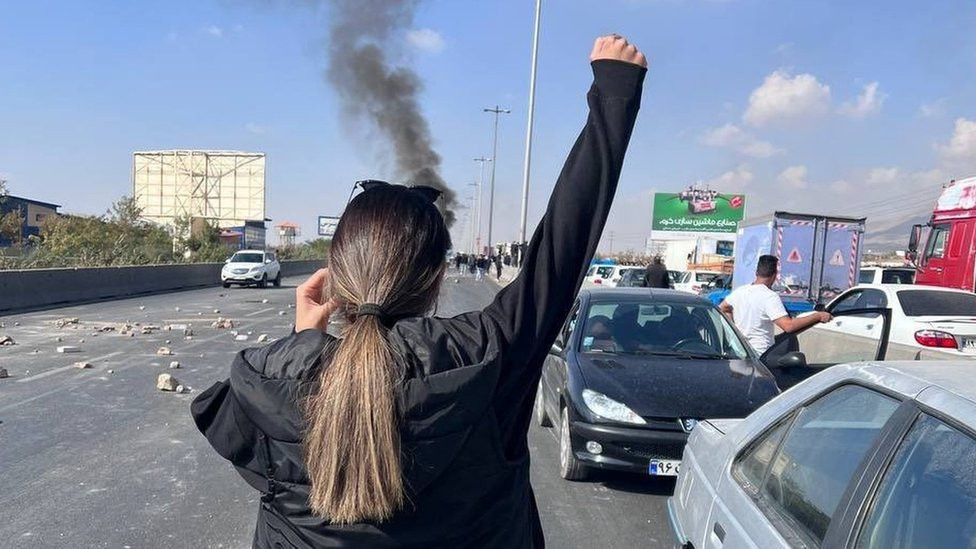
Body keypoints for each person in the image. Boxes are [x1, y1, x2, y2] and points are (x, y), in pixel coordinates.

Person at [191, 34, 646, 548]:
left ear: (335, 275)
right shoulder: (485, 353)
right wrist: (615, 93)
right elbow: (562, 250)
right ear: (435, 280)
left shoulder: (267, 379)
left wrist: (301, 345)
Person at [719, 254, 832, 355]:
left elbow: (723, 308)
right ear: (774, 276)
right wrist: (818, 316)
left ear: (756, 273)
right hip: (760, 355)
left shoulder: (740, 292)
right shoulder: (769, 297)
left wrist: (734, 332)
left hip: (740, 352)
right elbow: (788, 326)